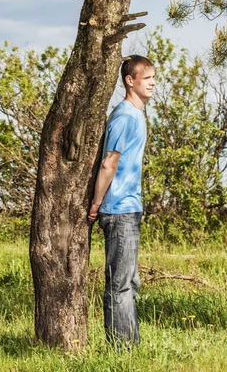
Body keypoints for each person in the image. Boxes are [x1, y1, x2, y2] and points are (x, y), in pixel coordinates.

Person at [88, 55, 155, 346]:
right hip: (118, 209)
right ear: (130, 80)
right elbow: (108, 163)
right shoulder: (125, 116)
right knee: (120, 285)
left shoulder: (136, 115)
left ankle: (130, 348)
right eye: (147, 78)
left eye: (154, 78)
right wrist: (95, 204)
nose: (153, 83)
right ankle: (123, 351)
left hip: (130, 208)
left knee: (129, 283)